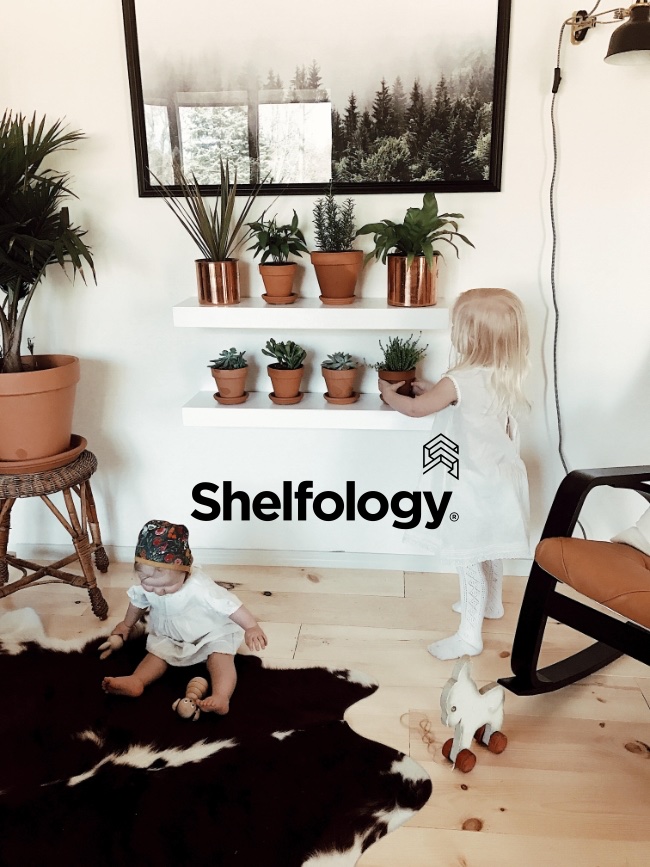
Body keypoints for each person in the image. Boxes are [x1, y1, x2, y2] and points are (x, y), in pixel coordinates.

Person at [378, 288, 531, 661]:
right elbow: (467, 406)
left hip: (470, 485)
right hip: (501, 478)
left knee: (466, 557)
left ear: (471, 336)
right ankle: (492, 604)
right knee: (490, 546)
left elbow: (416, 410)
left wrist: (388, 393)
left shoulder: (459, 377)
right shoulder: (507, 372)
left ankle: (468, 637)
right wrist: (439, 392)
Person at [101, 519, 268, 714]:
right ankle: (137, 680)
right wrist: (126, 625)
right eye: (149, 583)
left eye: (167, 586)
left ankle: (222, 696)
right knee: (156, 654)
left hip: (209, 633)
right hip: (169, 635)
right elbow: (138, 602)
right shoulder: (147, 586)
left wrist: (251, 627)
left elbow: (229, 604)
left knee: (220, 657)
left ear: (185, 572)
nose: (159, 591)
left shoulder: (200, 587)